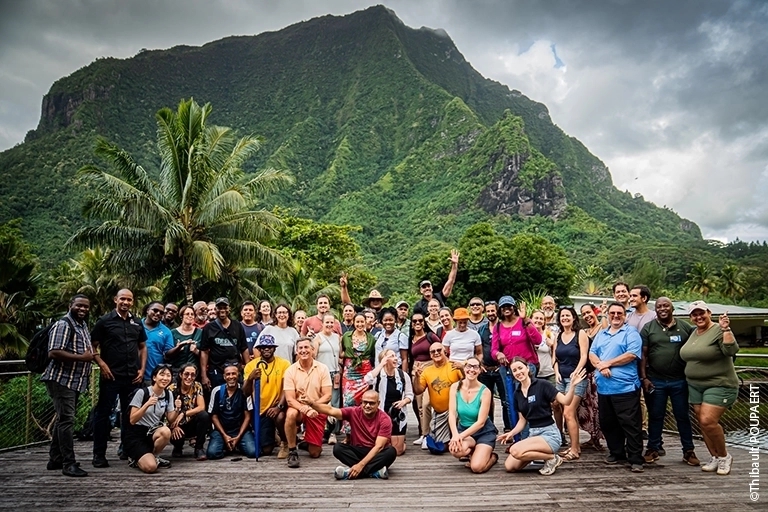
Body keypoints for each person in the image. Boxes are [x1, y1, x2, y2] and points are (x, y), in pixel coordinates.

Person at [498, 358, 587, 476]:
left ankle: (552, 458)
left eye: (520, 368)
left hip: (549, 434)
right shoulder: (517, 393)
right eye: (514, 370)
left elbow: (566, 401)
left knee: (515, 450)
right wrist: (511, 433)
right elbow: (522, 421)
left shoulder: (542, 385)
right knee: (510, 466)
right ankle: (546, 457)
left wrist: (572, 386)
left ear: (528, 368)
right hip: (533, 434)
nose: (518, 372)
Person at [680, 301, 739, 476]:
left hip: (719, 383)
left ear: (709, 313)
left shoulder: (718, 329)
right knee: (702, 424)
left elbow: (731, 350)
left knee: (708, 421)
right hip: (695, 385)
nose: (698, 317)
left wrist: (726, 329)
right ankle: (714, 456)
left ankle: (724, 456)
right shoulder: (694, 333)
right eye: (694, 314)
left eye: (701, 313)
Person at [90, 288, 147, 468]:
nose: (126, 302)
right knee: (103, 414)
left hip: (132, 376)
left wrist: (142, 369)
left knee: (129, 415)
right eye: (122, 299)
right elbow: (92, 346)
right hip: (111, 376)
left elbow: (143, 347)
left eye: (129, 300)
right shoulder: (104, 322)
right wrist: (102, 364)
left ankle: (127, 449)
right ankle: (99, 454)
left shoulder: (137, 322)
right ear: (116, 300)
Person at [639, 297, 698, 466]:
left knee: (682, 416)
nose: (662, 309)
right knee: (656, 416)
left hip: (680, 381)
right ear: (655, 309)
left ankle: (688, 450)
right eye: (659, 306)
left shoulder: (685, 327)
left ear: (672, 309)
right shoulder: (649, 328)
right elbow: (643, 355)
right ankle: (653, 448)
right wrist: (644, 378)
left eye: (666, 306)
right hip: (656, 380)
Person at [42, 294, 94, 477]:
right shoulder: (64, 324)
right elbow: (54, 352)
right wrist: (83, 358)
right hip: (61, 379)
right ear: (70, 305)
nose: (83, 309)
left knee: (62, 419)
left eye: (86, 307)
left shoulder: (82, 325)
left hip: (75, 380)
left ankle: (55, 458)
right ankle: (68, 463)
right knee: (67, 420)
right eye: (79, 305)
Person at [589, 302, 644, 472]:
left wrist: (608, 363)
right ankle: (616, 452)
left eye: (619, 313)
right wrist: (600, 366)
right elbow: (592, 353)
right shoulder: (602, 334)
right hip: (604, 388)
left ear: (625, 315)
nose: (615, 316)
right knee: (608, 423)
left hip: (625, 388)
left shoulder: (631, 333)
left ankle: (635, 458)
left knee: (630, 423)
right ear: (608, 315)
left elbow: (631, 354)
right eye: (612, 313)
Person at [304, 389, 396, 480]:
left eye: (371, 403)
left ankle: (350, 472)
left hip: (376, 453)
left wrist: (360, 465)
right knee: (338, 448)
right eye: (365, 402)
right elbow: (331, 410)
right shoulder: (354, 412)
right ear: (361, 401)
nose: (367, 406)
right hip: (358, 450)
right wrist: (312, 404)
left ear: (378, 403)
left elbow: (379, 447)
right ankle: (374, 472)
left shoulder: (384, 419)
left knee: (391, 451)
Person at [283, 337, 333, 468]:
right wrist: (305, 408)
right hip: (299, 408)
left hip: (316, 408)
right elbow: (290, 399)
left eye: (306, 347)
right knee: (290, 414)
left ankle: (306, 443)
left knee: (315, 453)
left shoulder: (322, 368)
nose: (303, 350)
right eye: (300, 348)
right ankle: (292, 450)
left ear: (312, 350)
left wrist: (312, 405)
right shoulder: (290, 370)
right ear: (296, 351)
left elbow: (327, 395)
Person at [243, 335, 291, 457]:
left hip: (279, 404)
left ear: (274, 348)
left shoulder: (284, 363)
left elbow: (287, 388)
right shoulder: (251, 365)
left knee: (280, 417)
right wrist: (250, 379)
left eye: (269, 347)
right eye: (263, 347)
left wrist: (279, 406)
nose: (266, 349)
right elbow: (246, 392)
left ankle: (285, 443)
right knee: (267, 450)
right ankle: (274, 436)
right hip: (261, 408)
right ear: (259, 349)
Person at [448, 357, 498, 473]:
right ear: (464, 368)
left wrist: (460, 437)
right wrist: (455, 435)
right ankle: (474, 452)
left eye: (476, 367)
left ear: (480, 370)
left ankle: (492, 457)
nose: (472, 370)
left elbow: (481, 422)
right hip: (464, 429)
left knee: (476, 468)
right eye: (469, 366)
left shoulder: (485, 391)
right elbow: (452, 413)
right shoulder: (455, 387)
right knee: (455, 450)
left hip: (483, 432)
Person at [124, 364, 178, 473]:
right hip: (136, 434)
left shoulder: (168, 394)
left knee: (166, 431)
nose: (165, 378)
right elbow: (132, 420)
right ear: (154, 377)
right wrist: (147, 404)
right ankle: (135, 458)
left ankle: (154, 456)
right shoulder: (142, 393)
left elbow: (171, 419)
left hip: (152, 432)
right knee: (150, 468)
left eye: (168, 375)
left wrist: (177, 408)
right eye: (161, 375)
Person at [412, 342, 464, 453]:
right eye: (433, 351)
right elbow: (418, 391)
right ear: (430, 355)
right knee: (437, 447)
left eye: (439, 350)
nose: (436, 353)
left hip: (457, 411)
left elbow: (468, 384)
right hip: (440, 413)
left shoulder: (454, 366)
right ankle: (447, 440)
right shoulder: (427, 371)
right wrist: (416, 377)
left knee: (462, 441)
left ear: (445, 351)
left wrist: (463, 369)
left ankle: (457, 438)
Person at [553, 306, 589, 461]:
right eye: (562, 316)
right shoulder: (558, 335)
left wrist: (577, 371)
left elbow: (584, 355)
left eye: (568, 315)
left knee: (568, 412)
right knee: (562, 409)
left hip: (577, 378)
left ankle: (574, 450)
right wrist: (556, 372)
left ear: (574, 318)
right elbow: (555, 357)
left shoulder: (580, 334)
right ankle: (573, 445)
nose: (565, 318)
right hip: (562, 378)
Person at [365, 349, 414, 455]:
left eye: (395, 356)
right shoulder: (378, 374)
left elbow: (410, 395)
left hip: (396, 415)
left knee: (397, 451)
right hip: (381, 413)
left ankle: (399, 442)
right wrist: (381, 364)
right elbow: (367, 379)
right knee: (380, 448)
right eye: (391, 356)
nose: (396, 358)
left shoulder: (403, 375)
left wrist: (404, 401)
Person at [207, 362, 256, 459]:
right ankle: (226, 446)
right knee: (212, 453)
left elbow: (247, 416)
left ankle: (237, 444)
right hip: (221, 431)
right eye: (228, 374)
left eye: (234, 373)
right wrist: (224, 435)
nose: (231, 376)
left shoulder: (244, 391)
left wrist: (238, 436)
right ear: (224, 377)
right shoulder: (217, 391)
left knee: (253, 452)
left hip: (240, 431)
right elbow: (214, 416)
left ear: (238, 375)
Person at [408, 312, 442, 447]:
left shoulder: (430, 336)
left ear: (424, 322)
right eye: (414, 321)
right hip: (417, 371)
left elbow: (441, 350)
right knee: (420, 405)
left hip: (432, 369)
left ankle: (434, 432)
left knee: (429, 403)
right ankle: (424, 434)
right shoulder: (410, 339)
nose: (417, 323)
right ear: (411, 324)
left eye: (420, 321)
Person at [200, 297, 248, 390]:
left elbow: (244, 348)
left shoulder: (237, 326)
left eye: (224, 307)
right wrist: (203, 375)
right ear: (216, 309)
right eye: (219, 308)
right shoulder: (209, 328)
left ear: (229, 309)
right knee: (218, 396)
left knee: (237, 397)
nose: (222, 310)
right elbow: (204, 351)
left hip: (235, 369)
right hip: (216, 370)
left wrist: (248, 371)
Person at [477, 300, 511, 432]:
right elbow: (478, 349)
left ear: (497, 311)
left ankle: (508, 427)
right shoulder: (482, 329)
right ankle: (489, 427)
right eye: (488, 311)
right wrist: (480, 363)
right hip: (486, 369)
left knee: (505, 400)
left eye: (493, 310)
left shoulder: (503, 327)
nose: (491, 313)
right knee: (486, 400)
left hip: (501, 369)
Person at [341, 313, 376, 434]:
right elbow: (341, 353)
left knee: (364, 402)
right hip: (350, 372)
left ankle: (363, 432)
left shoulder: (371, 337)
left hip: (365, 372)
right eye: (358, 322)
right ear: (354, 323)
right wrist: (350, 356)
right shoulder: (346, 336)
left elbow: (373, 355)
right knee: (348, 402)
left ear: (366, 322)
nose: (360, 324)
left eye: (362, 322)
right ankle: (349, 434)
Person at [578, 303, 606, 452]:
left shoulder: (602, 326)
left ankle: (600, 437)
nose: (587, 316)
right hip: (587, 373)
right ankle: (592, 437)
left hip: (599, 372)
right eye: (584, 314)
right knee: (588, 407)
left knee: (598, 407)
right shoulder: (585, 331)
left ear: (595, 312)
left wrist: (603, 314)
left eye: (589, 312)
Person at [168, 363, 210, 460]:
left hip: (190, 421)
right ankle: (178, 447)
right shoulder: (171, 388)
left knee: (204, 416)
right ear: (180, 375)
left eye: (193, 375)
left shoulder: (197, 386)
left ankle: (199, 448)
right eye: (186, 374)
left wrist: (184, 413)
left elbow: (201, 407)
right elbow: (166, 412)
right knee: (176, 434)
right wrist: (173, 425)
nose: (189, 377)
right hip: (175, 423)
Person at [312, 314, 342, 445]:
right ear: (322, 324)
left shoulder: (337, 337)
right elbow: (313, 356)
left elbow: (340, 355)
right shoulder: (317, 338)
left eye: (332, 322)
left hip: (335, 373)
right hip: (321, 374)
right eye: (327, 322)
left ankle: (333, 433)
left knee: (335, 403)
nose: (329, 325)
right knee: (322, 404)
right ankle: (322, 431)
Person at [413, 249, 460, 315]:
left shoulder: (440, 296)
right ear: (421, 290)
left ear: (432, 288)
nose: (427, 288)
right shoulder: (418, 306)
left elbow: (451, 280)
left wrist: (454, 265)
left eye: (428, 286)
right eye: (424, 287)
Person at [141, 301, 174, 384]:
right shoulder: (136, 325)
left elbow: (168, 353)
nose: (158, 313)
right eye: (155, 310)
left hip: (153, 376)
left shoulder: (166, 332)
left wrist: (179, 347)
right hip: (134, 374)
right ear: (148, 310)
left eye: (161, 312)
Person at [166, 305, 202, 375]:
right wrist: (178, 348)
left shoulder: (200, 332)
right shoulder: (172, 332)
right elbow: (167, 354)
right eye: (187, 314)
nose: (190, 316)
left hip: (193, 372)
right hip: (177, 371)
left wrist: (196, 351)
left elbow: (205, 354)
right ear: (181, 316)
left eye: (192, 314)